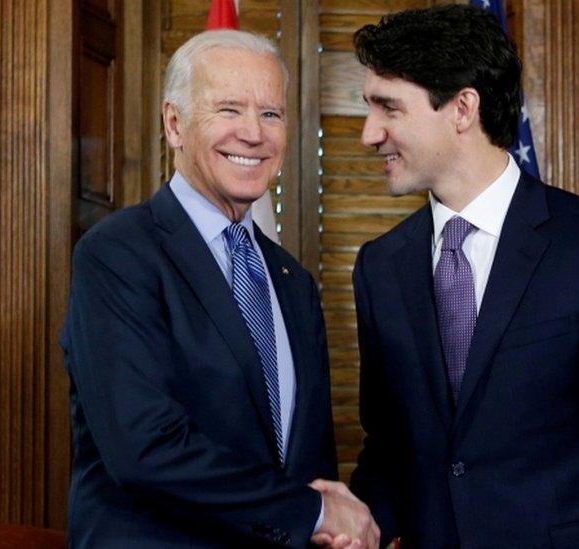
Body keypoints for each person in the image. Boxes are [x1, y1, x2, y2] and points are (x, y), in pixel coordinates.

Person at [348, 5, 579, 548]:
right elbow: (391, 446)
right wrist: (350, 524)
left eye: (388, 109)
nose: (369, 134)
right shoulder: (380, 265)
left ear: (462, 108)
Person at [60, 30, 377, 548]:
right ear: (175, 123)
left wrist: (325, 524)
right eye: (228, 109)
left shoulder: (293, 282)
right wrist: (314, 511)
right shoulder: (117, 253)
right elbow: (143, 450)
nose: (253, 133)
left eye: (271, 114)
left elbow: (307, 460)